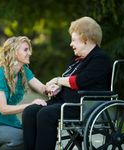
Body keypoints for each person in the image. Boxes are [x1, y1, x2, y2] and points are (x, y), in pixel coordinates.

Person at [22, 16, 112, 150]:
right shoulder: (77, 59)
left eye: (74, 40)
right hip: (65, 102)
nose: (71, 44)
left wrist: (58, 80)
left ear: (86, 40)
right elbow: (67, 80)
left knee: (45, 114)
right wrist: (57, 87)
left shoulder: (100, 58)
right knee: (30, 111)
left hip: (82, 107)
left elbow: (79, 81)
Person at [0, 36, 48, 150]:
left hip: (10, 124)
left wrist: (55, 86)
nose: (29, 53)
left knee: (32, 137)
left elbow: (42, 88)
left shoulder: (23, 71)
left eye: (29, 50)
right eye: (25, 50)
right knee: (21, 138)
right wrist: (31, 105)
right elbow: (3, 109)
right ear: (14, 52)